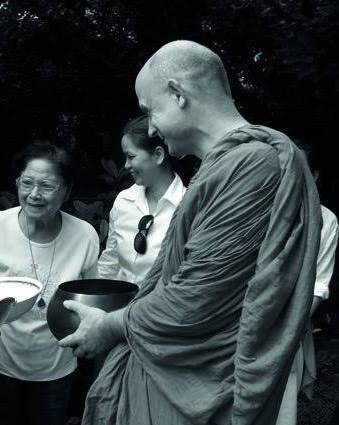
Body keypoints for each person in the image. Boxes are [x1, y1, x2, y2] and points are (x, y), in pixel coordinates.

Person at [59, 40, 321, 425]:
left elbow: (195, 299)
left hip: (198, 386)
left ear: (178, 94)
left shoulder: (254, 164)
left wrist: (110, 325)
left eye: (150, 111)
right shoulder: (223, 166)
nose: (149, 127)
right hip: (173, 373)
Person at [0, 141, 100, 425]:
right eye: (27, 183)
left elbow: (89, 300)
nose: (34, 194)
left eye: (47, 186)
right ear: (17, 183)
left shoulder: (85, 236)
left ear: (67, 191)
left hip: (55, 370)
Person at [275, 140, 338, 424]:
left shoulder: (327, 220)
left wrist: (289, 328)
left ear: (314, 174)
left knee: (281, 403)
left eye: (297, 167)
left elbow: (318, 285)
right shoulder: (264, 209)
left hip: (290, 323)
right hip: (241, 320)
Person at [98, 115, 186, 284]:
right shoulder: (123, 201)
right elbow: (110, 263)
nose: (126, 165)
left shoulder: (188, 205)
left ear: (158, 155)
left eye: (131, 157)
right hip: (117, 307)